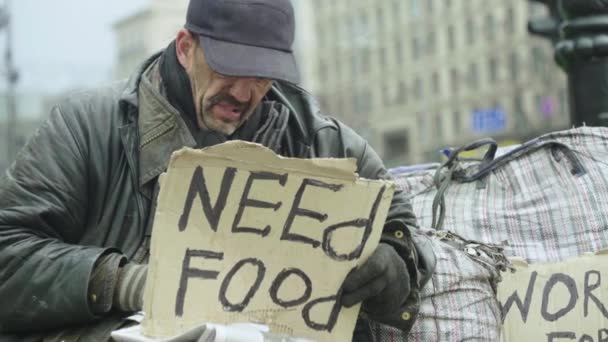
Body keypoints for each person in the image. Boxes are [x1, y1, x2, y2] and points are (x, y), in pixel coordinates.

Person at [0, 0, 436, 341]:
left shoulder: (319, 140)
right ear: (186, 47)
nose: (245, 92)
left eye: (264, 76)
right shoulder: (85, 128)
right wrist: (124, 282)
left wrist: (394, 265)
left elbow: (402, 231)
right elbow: (9, 257)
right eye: (229, 68)